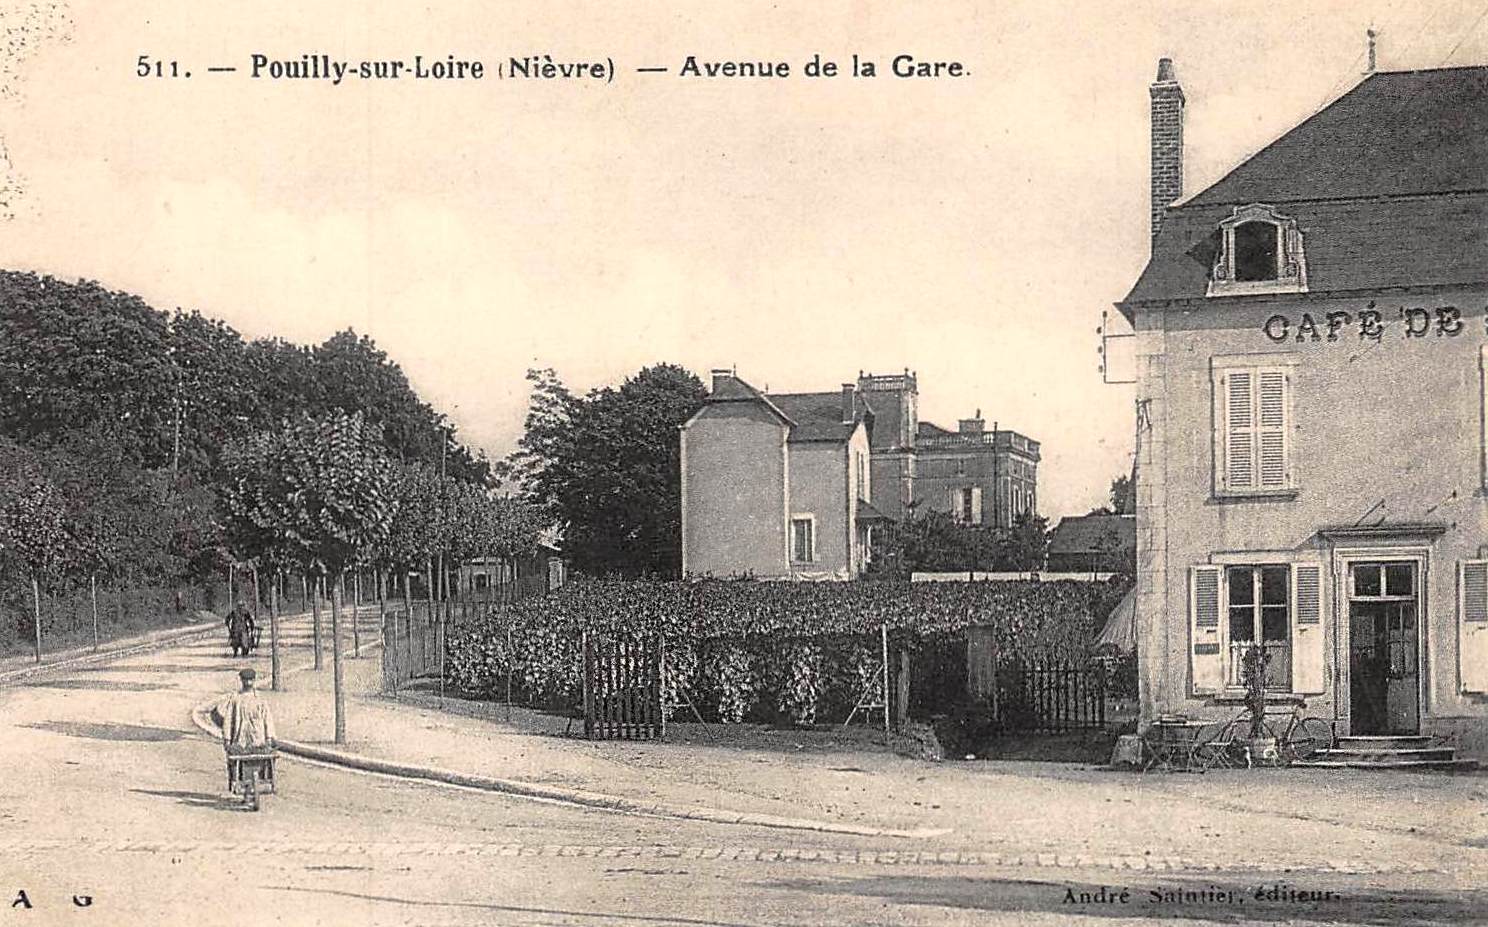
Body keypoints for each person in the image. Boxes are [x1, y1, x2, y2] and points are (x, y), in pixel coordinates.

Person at [220, 668, 276, 808]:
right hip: (241, 737)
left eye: (251, 680)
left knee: (257, 763)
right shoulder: (235, 699)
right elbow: (228, 719)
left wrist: (269, 736)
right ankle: (246, 791)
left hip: (257, 737)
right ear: (241, 681)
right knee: (242, 764)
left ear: (254, 681)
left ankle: (254, 788)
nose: (248, 682)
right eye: (245, 680)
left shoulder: (260, 700)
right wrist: (227, 738)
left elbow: (267, 718)